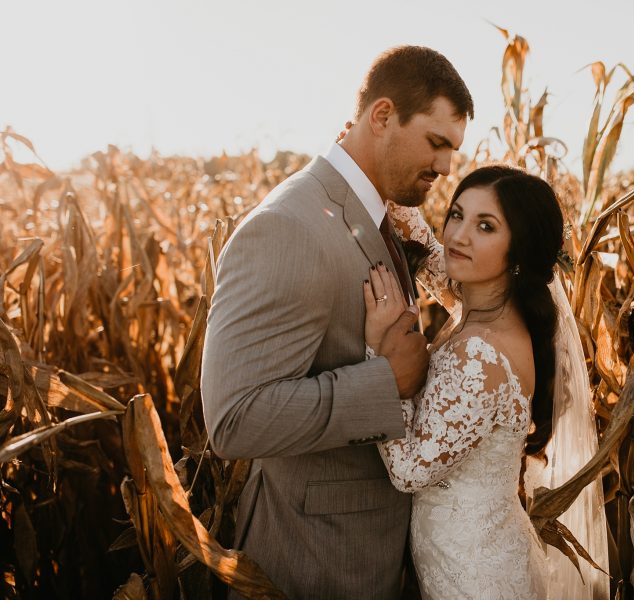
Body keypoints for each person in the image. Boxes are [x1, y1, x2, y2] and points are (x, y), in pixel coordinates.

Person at [200, 46, 474, 598]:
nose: (447, 167)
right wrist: (386, 382)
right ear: (381, 117)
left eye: (453, 149)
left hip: (370, 552)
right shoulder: (289, 228)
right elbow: (234, 420)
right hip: (315, 560)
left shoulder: (376, 210)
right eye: (437, 142)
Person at [364, 165, 609, 599]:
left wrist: (381, 354)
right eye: (457, 214)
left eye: (486, 226)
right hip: (485, 554)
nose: (458, 235)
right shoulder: (486, 307)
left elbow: (407, 470)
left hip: (473, 578)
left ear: (519, 250)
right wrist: (375, 166)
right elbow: (433, 253)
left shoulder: (482, 354)